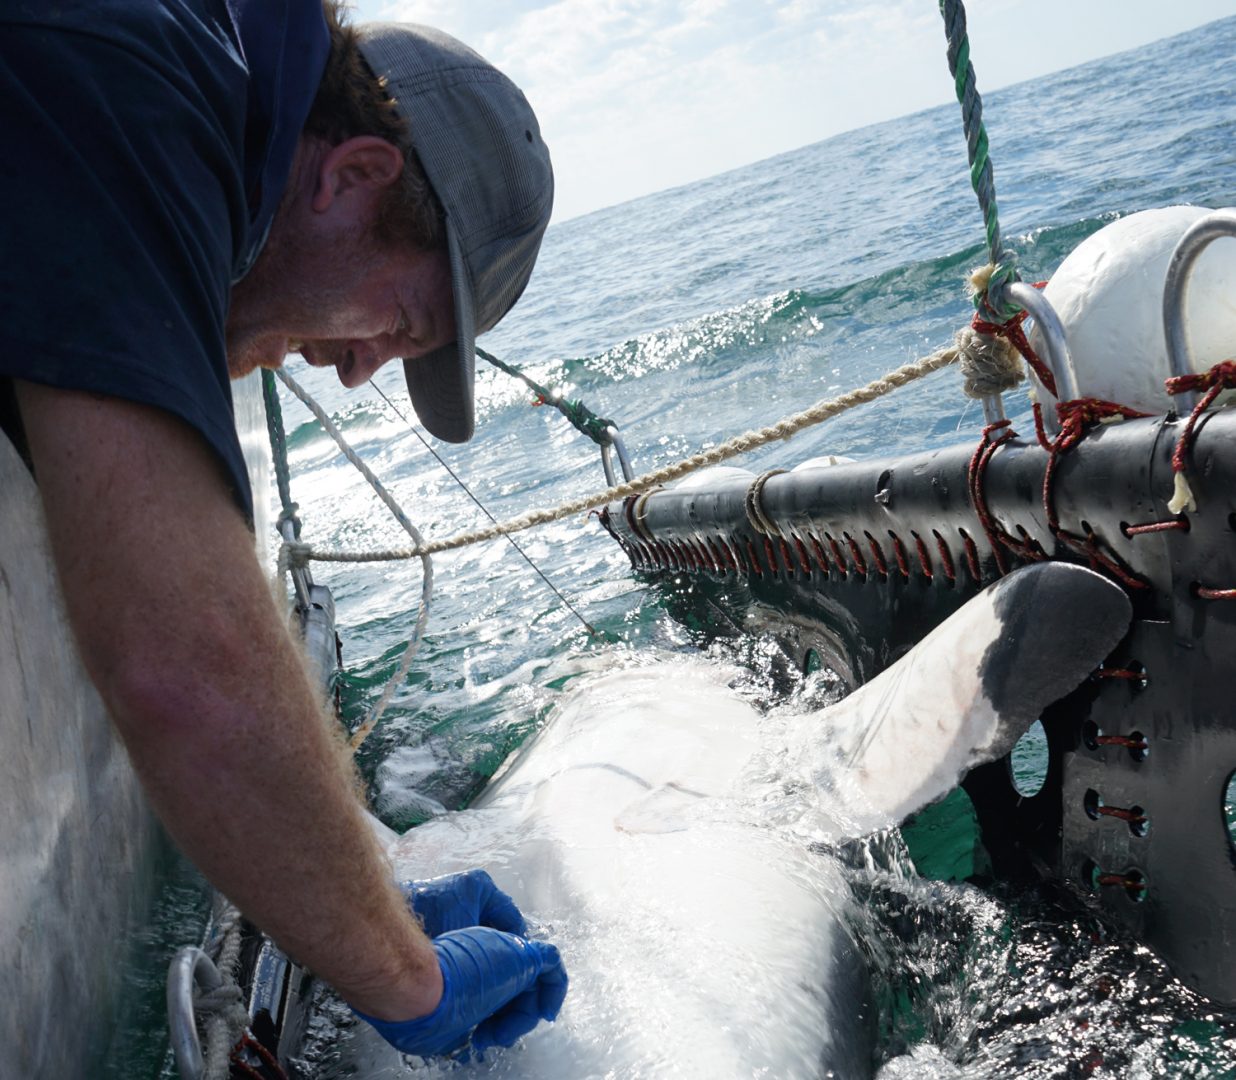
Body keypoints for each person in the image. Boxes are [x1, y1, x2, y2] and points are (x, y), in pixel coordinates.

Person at [0, 0, 566, 1060]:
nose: (356, 370)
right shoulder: (137, 82)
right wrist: (408, 979)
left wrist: (363, 911)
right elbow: (184, 666)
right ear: (351, 175)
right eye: (398, 326)